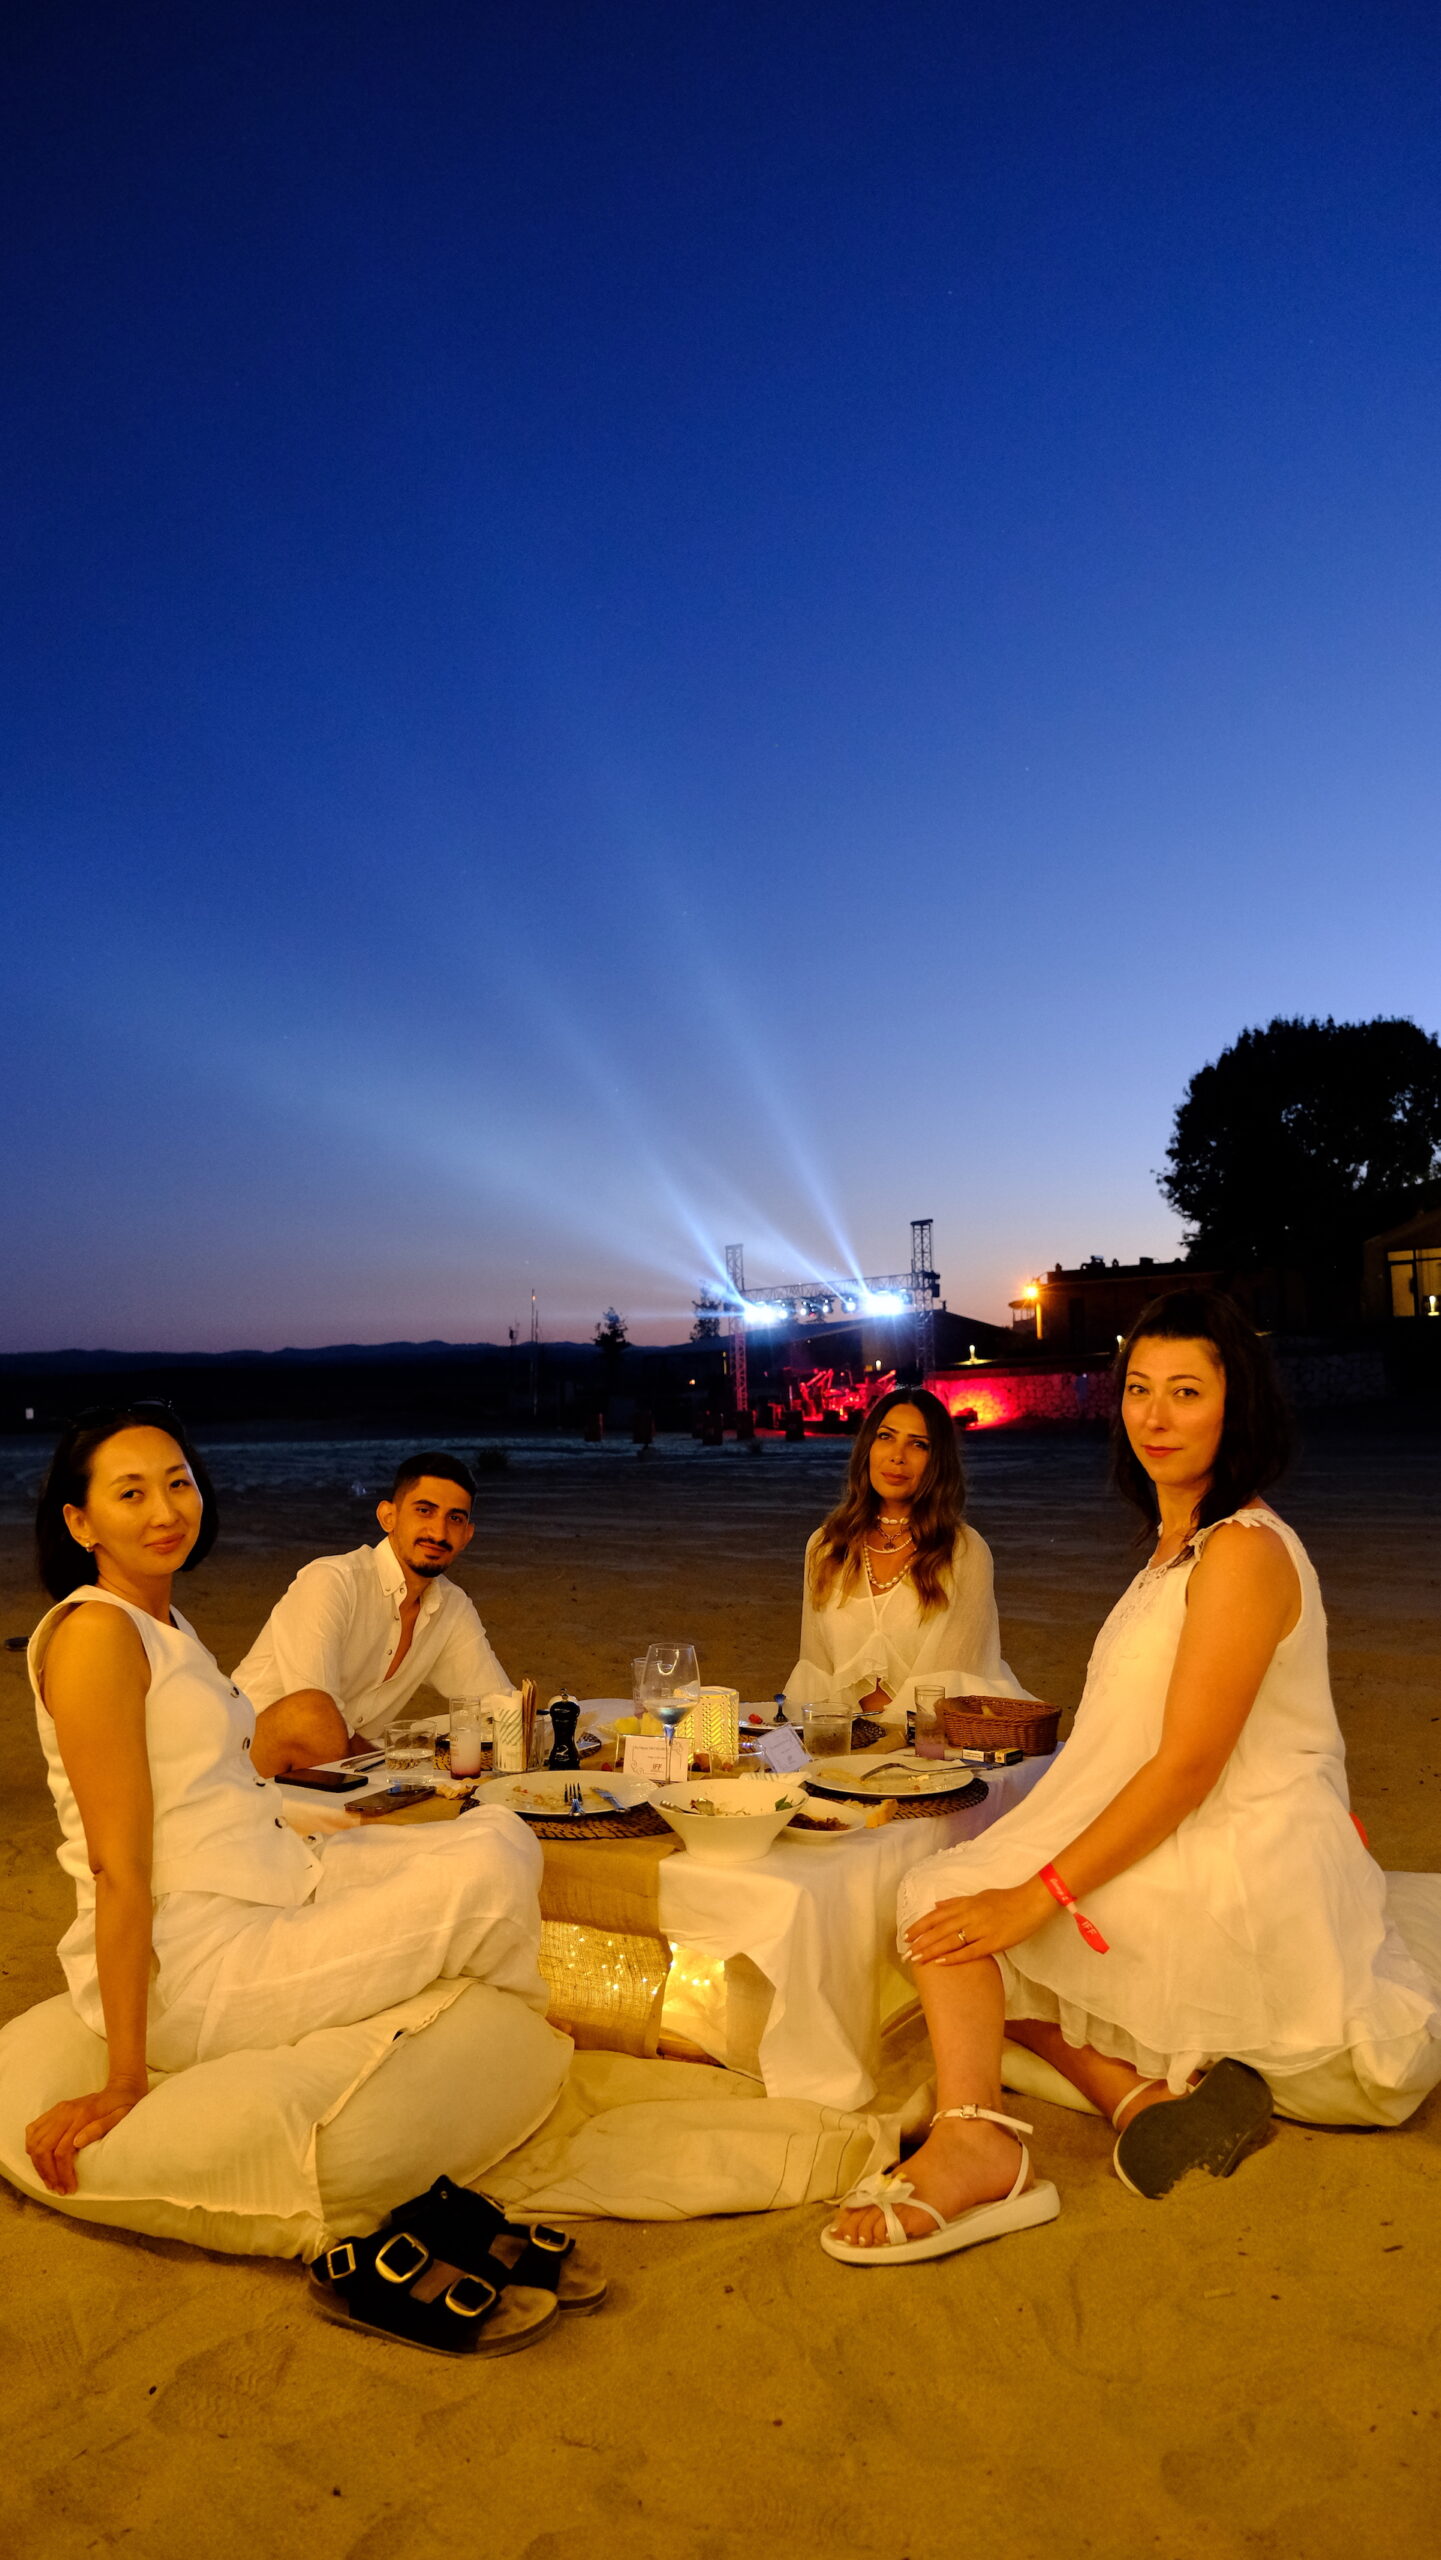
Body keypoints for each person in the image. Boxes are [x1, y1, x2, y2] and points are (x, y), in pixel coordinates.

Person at [822, 1291, 1441, 2265]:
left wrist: (1039, 1893)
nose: (1154, 1415)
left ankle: (976, 2141)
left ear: (1237, 1406)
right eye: (1139, 1389)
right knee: (951, 1910)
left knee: (951, 1912)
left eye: (1186, 1392)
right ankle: (1132, 2095)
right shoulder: (1173, 1548)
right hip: (1184, 1815)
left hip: (1236, 1840)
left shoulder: (1241, 1550)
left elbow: (1189, 1764)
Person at [23, 1406, 545, 2200]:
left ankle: (498, 2038)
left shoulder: (163, 1623)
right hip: (192, 1964)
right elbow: (115, 1867)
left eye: (178, 1484)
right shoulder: (96, 1634)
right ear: (79, 1522)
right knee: (485, 1878)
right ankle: (519, 2045)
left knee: (497, 1833)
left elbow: (207, 1787)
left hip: (269, 1883)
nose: (165, 1512)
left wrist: (311, 1831)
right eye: (131, 1494)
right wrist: (125, 2077)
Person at [233, 1451, 510, 1776]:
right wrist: (396, 1767)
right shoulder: (332, 1581)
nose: (438, 1532)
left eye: (455, 1519)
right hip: (239, 1763)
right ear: (388, 1517)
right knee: (313, 1713)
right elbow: (315, 1722)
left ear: (467, 1536)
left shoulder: (452, 1606)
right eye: (424, 1511)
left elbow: (497, 1707)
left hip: (334, 1776)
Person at [785, 1386, 1032, 1726]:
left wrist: (890, 1737)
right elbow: (815, 1667)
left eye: (918, 1444)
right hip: (842, 1737)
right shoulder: (826, 1546)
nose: (897, 1456)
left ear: (938, 1461)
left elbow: (955, 1678)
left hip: (929, 1740)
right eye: (886, 1437)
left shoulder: (963, 1551)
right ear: (868, 1447)